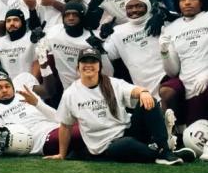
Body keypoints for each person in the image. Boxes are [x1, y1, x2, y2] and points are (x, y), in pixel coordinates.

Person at [46, 48, 191, 164]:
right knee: (125, 144)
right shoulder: (70, 94)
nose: (88, 65)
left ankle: (164, 149)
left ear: (99, 66)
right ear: (78, 67)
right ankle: (161, 154)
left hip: (128, 131)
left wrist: (143, 92)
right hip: (106, 146)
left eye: (93, 61)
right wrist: (61, 154)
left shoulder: (113, 83)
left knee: (149, 100)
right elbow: (65, 126)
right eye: (84, 62)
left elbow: (133, 90)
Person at [0, 70, 83, 156]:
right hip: (40, 138)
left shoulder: (25, 94)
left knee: (86, 125)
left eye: (7, 86)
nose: (4, 90)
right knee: (81, 132)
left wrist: (38, 104)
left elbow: (58, 118)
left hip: (56, 127)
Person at [159, 0, 208, 124]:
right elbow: (173, 71)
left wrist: (206, 75)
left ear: (202, 1)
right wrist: (164, 52)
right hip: (189, 87)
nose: (187, 2)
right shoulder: (171, 28)